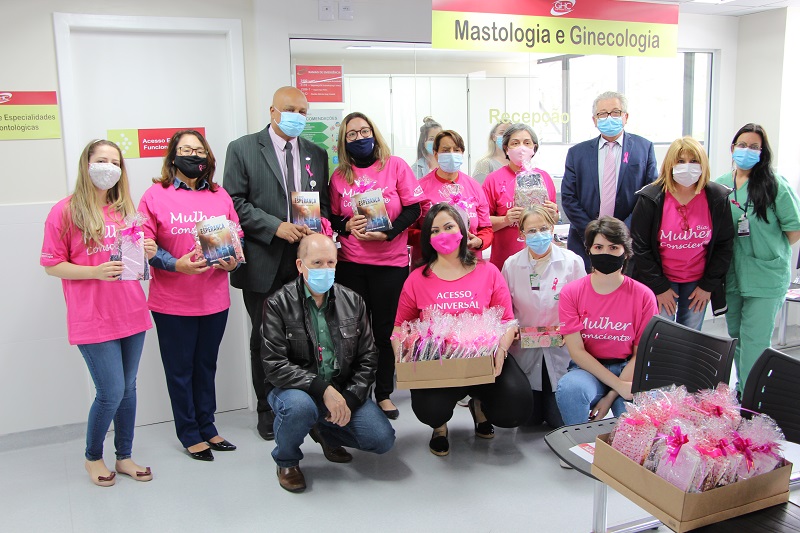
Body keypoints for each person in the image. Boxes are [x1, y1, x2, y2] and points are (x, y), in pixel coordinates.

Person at [41, 139, 154, 486]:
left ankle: (124, 455)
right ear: (86, 164)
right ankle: (93, 457)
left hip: (131, 311)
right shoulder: (65, 211)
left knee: (129, 389)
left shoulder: (125, 210)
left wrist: (146, 250)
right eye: (102, 160)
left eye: (115, 162)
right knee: (111, 391)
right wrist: (94, 271)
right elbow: (51, 265)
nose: (109, 167)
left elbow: (132, 263)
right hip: (92, 316)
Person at [223, 86, 330, 441]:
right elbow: (234, 203)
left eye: (303, 111)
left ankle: (306, 404)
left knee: (309, 335)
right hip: (264, 260)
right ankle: (267, 408)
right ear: (272, 111)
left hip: (306, 261)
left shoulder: (317, 153)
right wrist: (275, 226)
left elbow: (324, 206)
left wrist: (320, 229)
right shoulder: (242, 149)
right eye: (290, 109)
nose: (297, 116)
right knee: (266, 338)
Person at [393, 203, 533, 457]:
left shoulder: (488, 271)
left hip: (486, 360)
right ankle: (439, 427)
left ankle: (479, 405)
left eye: (449, 227)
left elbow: (507, 321)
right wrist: (402, 356)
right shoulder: (417, 279)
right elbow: (400, 327)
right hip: (438, 365)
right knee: (430, 410)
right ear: (428, 238)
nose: (443, 234)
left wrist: (501, 351)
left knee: (515, 407)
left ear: (463, 231)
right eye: (435, 230)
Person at [261, 234, 396, 493]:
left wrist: (351, 399)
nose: (325, 269)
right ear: (300, 265)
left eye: (330, 263)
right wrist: (322, 389)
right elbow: (274, 364)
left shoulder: (353, 301)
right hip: (295, 390)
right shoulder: (277, 303)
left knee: (382, 439)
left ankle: (324, 430)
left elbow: (368, 357)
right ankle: (287, 461)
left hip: (341, 387)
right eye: (317, 263)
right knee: (300, 409)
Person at [140, 130, 239, 461]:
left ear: (208, 157)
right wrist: (175, 264)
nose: (193, 156)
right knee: (180, 371)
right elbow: (144, 246)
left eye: (199, 150)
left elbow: (237, 238)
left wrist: (233, 260)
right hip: (172, 303)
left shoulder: (219, 195)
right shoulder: (155, 195)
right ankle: (189, 432)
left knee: (206, 366)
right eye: (185, 150)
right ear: (173, 156)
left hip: (214, 299)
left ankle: (207, 426)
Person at [328, 112, 422, 420]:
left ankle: (383, 393)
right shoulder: (339, 176)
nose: (360, 138)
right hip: (351, 265)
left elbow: (413, 209)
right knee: (352, 333)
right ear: (344, 141)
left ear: (374, 133)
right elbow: (332, 217)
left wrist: (390, 233)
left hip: (390, 264)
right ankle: (356, 392)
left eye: (364, 131)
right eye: (352, 134)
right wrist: (346, 225)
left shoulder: (395, 166)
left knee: (384, 332)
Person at [715, 124, 800, 393]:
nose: (747, 151)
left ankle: (752, 398)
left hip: (765, 275)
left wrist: (766, 251)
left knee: (755, 341)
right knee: (737, 336)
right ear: (732, 148)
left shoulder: (775, 185)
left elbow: (794, 229)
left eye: (754, 147)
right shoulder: (720, 184)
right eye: (742, 145)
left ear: (762, 152)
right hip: (732, 274)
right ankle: (745, 390)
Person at [555, 217, 658, 427]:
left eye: (613, 247)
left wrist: (612, 394)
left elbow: (641, 354)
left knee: (637, 412)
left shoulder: (644, 296)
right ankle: (577, 442)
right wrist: (618, 386)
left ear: (625, 252)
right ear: (589, 250)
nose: (606, 253)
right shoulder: (571, 293)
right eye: (599, 247)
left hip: (628, 368)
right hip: (587, 368)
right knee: (570, 389)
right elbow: (577, 351)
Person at [631, 136, 734, 330]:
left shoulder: (717, 197)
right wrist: (659, 287)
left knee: (690, 338)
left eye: (693, 161)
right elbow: (640, 247)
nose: (687, 166)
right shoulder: (650, 198)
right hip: (661, 280)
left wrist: (707, 286)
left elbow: (724, 245)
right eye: (680, 161)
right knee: (661, 336)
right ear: (670, 164)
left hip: (697, 283)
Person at [502, 206, 586, 428]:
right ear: (521, 234)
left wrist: (571, 331)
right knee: (527, 421)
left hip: (562, 350)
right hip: (525, 350)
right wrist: (512, 330)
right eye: (531, 231)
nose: (538, 235)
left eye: (543, 228)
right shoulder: (511, 265)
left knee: (559, 420)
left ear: (552, 228)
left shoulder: (572, 262)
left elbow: (585, 307)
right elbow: (505, 310)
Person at [561, 91, 658, 270]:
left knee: (624, 287)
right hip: (585, 242)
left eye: (615, 112)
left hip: (629, 242)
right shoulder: (577, 153)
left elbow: (650, 195)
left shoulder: (644, 148)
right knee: (585, 286)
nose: (609, 118)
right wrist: (592, 232)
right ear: (594, 120)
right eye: (602, 114)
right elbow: (568, 197)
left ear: (625, 117)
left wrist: (623, 231)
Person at [409, 129, 493, 263]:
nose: (452, 154)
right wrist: (431, 237)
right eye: (446, 150)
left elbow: (486, 228)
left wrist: (480, 241)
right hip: (431, 263)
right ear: (435, 154)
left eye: (456, 150)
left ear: (462, 153)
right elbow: (407, 231)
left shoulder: (474, 187)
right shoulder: (420, 188)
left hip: (468, 262)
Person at [482, 122, 558, 270]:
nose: (521, 148)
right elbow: (482, 222)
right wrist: (505, 220)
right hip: (505, 260)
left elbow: (554, 219)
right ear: (506, 148)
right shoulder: (493, 180)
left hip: (542, 258)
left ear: (534, 147)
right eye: (515, 143)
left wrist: (553, 214)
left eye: (527, 143)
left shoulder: (543, 178)